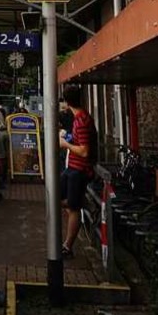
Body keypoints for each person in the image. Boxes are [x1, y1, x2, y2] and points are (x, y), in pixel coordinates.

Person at [58, 86, 97, 257]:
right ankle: (83, 203)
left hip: (79, 169)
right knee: (56, 198)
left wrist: (65, 144)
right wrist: (68, 136)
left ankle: (67, 247)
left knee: (73, 208)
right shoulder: (79, 119)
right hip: (72, 168)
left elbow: (84, 151)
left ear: (66, 102)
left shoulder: (81, 121)